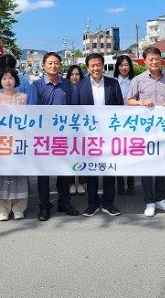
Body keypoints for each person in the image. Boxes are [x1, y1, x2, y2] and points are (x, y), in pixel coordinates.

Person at [127, 46, 165, 217]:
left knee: (164, 163)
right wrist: (141, 102)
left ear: (161, 60)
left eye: (157, 58)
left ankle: (161, 198)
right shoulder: (138, 80)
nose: (154, 62)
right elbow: (129, 101)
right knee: (148, 165)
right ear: (145, 61)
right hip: (145, 129)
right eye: (151, 59)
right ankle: (149, 201)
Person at [28, 52, 80, 221]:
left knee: (63, 172)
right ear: (44, 65)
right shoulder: (36, 86)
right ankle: (44, 206)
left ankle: (64, 203)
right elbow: (31, 110)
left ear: (60, 65)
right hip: (43, 137)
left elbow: (73, 108)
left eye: (56, 63)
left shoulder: (67, 85)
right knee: (43, 174)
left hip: (63, 136)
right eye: (50, 63)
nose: (53, 66)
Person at [72, 53, 124, 217]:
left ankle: (108, 203)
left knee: (109, 169)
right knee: (92, 170)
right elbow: (75, 109)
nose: (96, 68)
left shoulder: (113, 83)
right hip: (89, 135)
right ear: (88, 68)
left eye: (98, 65)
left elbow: (119, 107)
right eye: (92, 65)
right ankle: (93, 203)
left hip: (109, 134)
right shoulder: (80, 86)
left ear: (103, 66)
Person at [0, 68, 29, 221]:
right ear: (0, 81)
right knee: (0, 174)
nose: (7, 81)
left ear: (15, 80)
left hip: (18, 140)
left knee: (19, 174)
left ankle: (19, 208)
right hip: (0, 142)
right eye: (4, 78)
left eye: (11, 78)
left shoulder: (23, 98)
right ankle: (2, 210)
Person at [114, 54, 136, 196]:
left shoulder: (135, 81)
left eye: (126, 65)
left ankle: (131, 184)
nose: (124, 68)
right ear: (117, 67)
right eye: (121, 65)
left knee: (131, 153)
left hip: (132, 122)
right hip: (116, 123)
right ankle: (120, 183)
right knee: (118, 153)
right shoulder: (113, 82)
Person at [65, 64, 87, 196]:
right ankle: (71, 183)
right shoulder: (65, 88)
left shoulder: (85, 88)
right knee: (70, 156)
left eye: (77, 74)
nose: (74, 77)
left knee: (83, 155)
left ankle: (82, 183)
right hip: (68, 127)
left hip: (83, 127)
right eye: (72, 74)